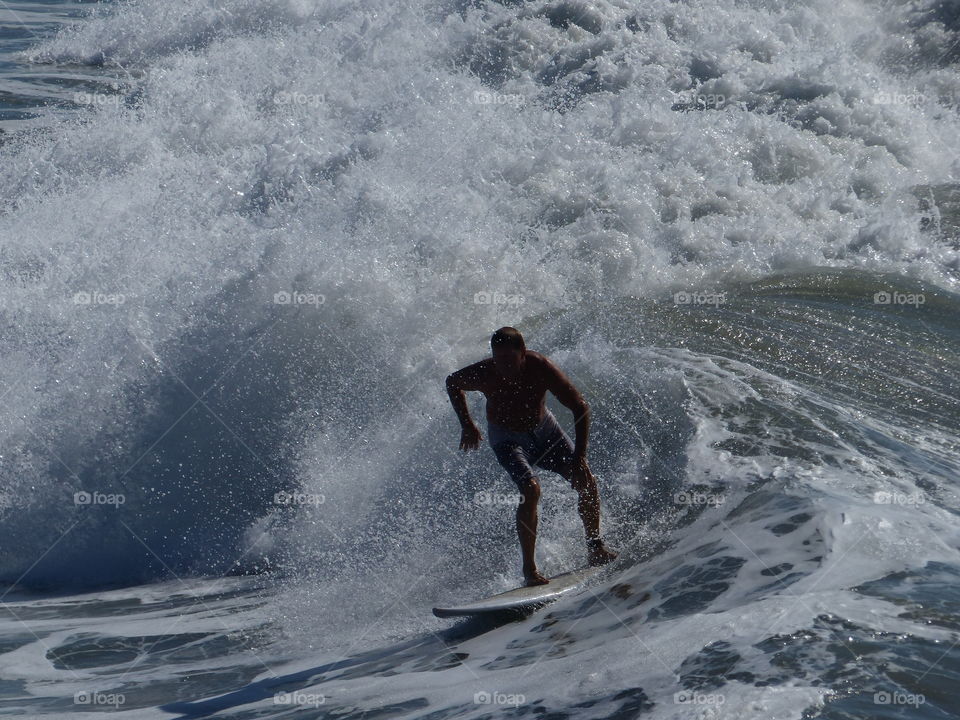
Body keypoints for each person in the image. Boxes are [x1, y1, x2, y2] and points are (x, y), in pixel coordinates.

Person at [446, 326, 617, 586]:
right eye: (498, 358)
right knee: (530, 489)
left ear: (523, 353)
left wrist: (580, 458)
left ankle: (595, 548)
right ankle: (529, 571)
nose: (503, 366)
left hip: (546, 431)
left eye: (509, 359)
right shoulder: (485, 373)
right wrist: (467, 424)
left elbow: (580, 406)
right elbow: (452, 382)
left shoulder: (540, 367)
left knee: (586, 480)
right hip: (507, 439)